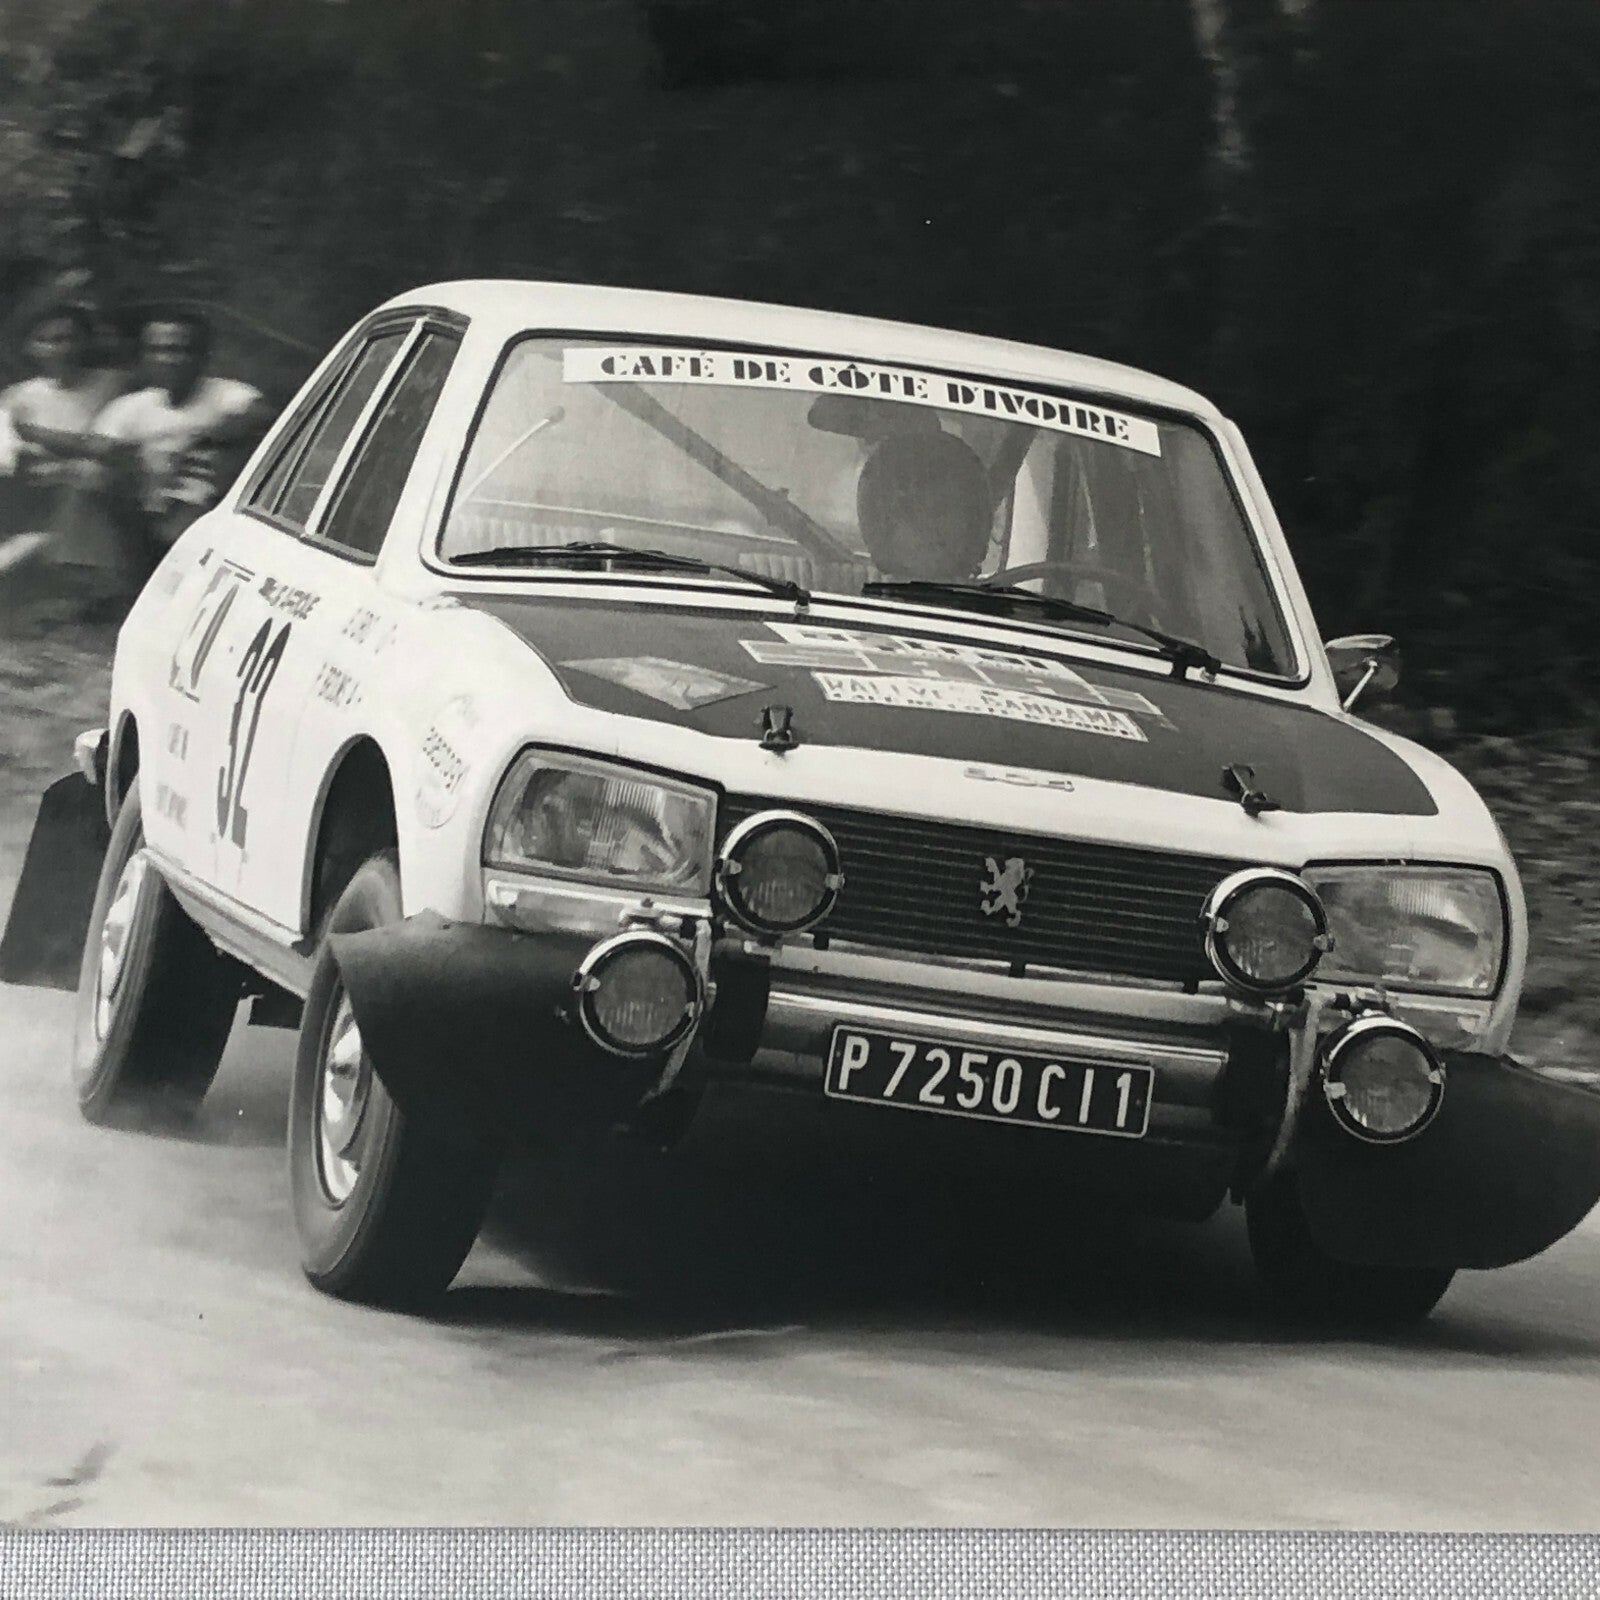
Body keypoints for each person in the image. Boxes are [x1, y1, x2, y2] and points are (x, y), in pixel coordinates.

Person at [0, 304, 127, 581]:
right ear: (30, 348)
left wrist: (38, 437)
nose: (59, 349)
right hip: (37, 494)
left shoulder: (113, 384)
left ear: (86, 340)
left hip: (99, 489)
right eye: (45, 341)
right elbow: (8, 456)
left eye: (66, 338)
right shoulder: (19, 396)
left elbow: (113, 446)